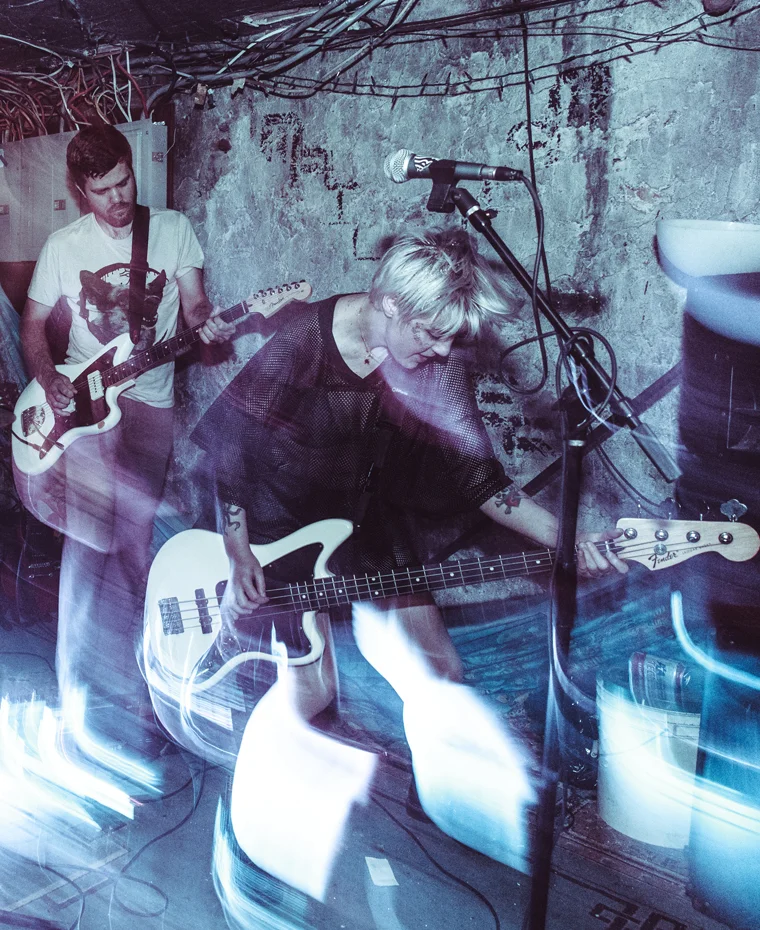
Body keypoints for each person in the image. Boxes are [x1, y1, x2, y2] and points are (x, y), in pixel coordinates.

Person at [193, 228, 627, 721]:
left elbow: (480, 480)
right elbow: (233, 445)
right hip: (279, 527)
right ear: (391, 304)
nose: (443, 350)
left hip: (363, 525)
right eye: (431, 333)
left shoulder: (439, 367)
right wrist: (238, 553)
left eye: (451, 337)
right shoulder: (305, 339)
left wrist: (569, 538)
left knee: (443, 678)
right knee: (310, 693)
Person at [17, 124, 234, 751]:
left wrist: (207, 322)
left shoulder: (171, 230)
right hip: (85, 411)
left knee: (137, 547)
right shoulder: (64, 247)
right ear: (80, 191)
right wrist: (49, 377)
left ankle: (140, 697)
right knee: (89, 549)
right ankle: (77, 697)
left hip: (150, 407)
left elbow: (195, 306)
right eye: (103, 190)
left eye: (125, 181)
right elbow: (33, 326)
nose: (118, 198)